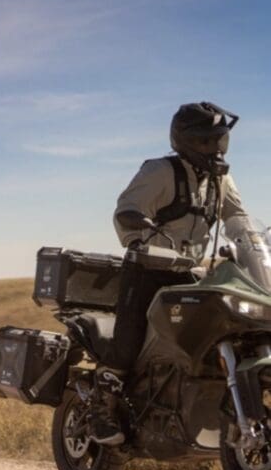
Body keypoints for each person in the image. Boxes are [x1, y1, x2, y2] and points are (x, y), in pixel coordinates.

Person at [90, 101, 253, 446]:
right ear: (185, 141)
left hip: (191, 272)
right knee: (128, 343)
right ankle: (100, 411)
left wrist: (253, 249)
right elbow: (127, 211)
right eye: (206, 141)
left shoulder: (222, 180)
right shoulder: (160, 172)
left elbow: (239, 220)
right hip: (148, 269)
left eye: (219, 140)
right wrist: (142, 236)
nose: (215, 149)